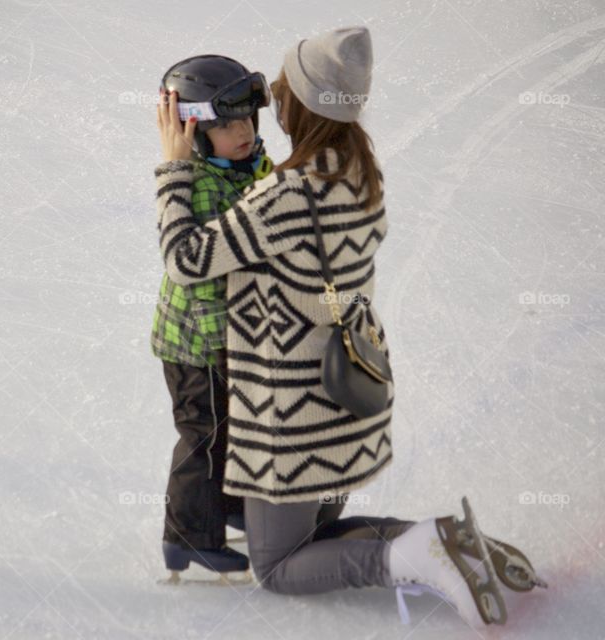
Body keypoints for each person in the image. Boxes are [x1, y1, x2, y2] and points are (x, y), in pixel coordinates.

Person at [154, 26, 545, 628]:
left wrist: (174, 168)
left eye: (282, 93)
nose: (270, 108)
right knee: (313, 523)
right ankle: (445, 540)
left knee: (279, 564)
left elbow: (186, 259)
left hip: (289, 414)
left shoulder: (286, 194)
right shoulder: (361, 171)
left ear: (302, 105)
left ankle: (409, 556)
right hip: (346, 391)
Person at [149, 55, 276, 581]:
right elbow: (185, 262)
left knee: (234, 431)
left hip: (229, 338)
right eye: (224, 125)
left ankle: (224, 507)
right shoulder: (199, 183)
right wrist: (175, 164)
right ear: (195, 135)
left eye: (247, 118)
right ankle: (187, 538)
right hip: (193, 345)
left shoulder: (250, 166)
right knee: (203, 435)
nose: (242, 131)